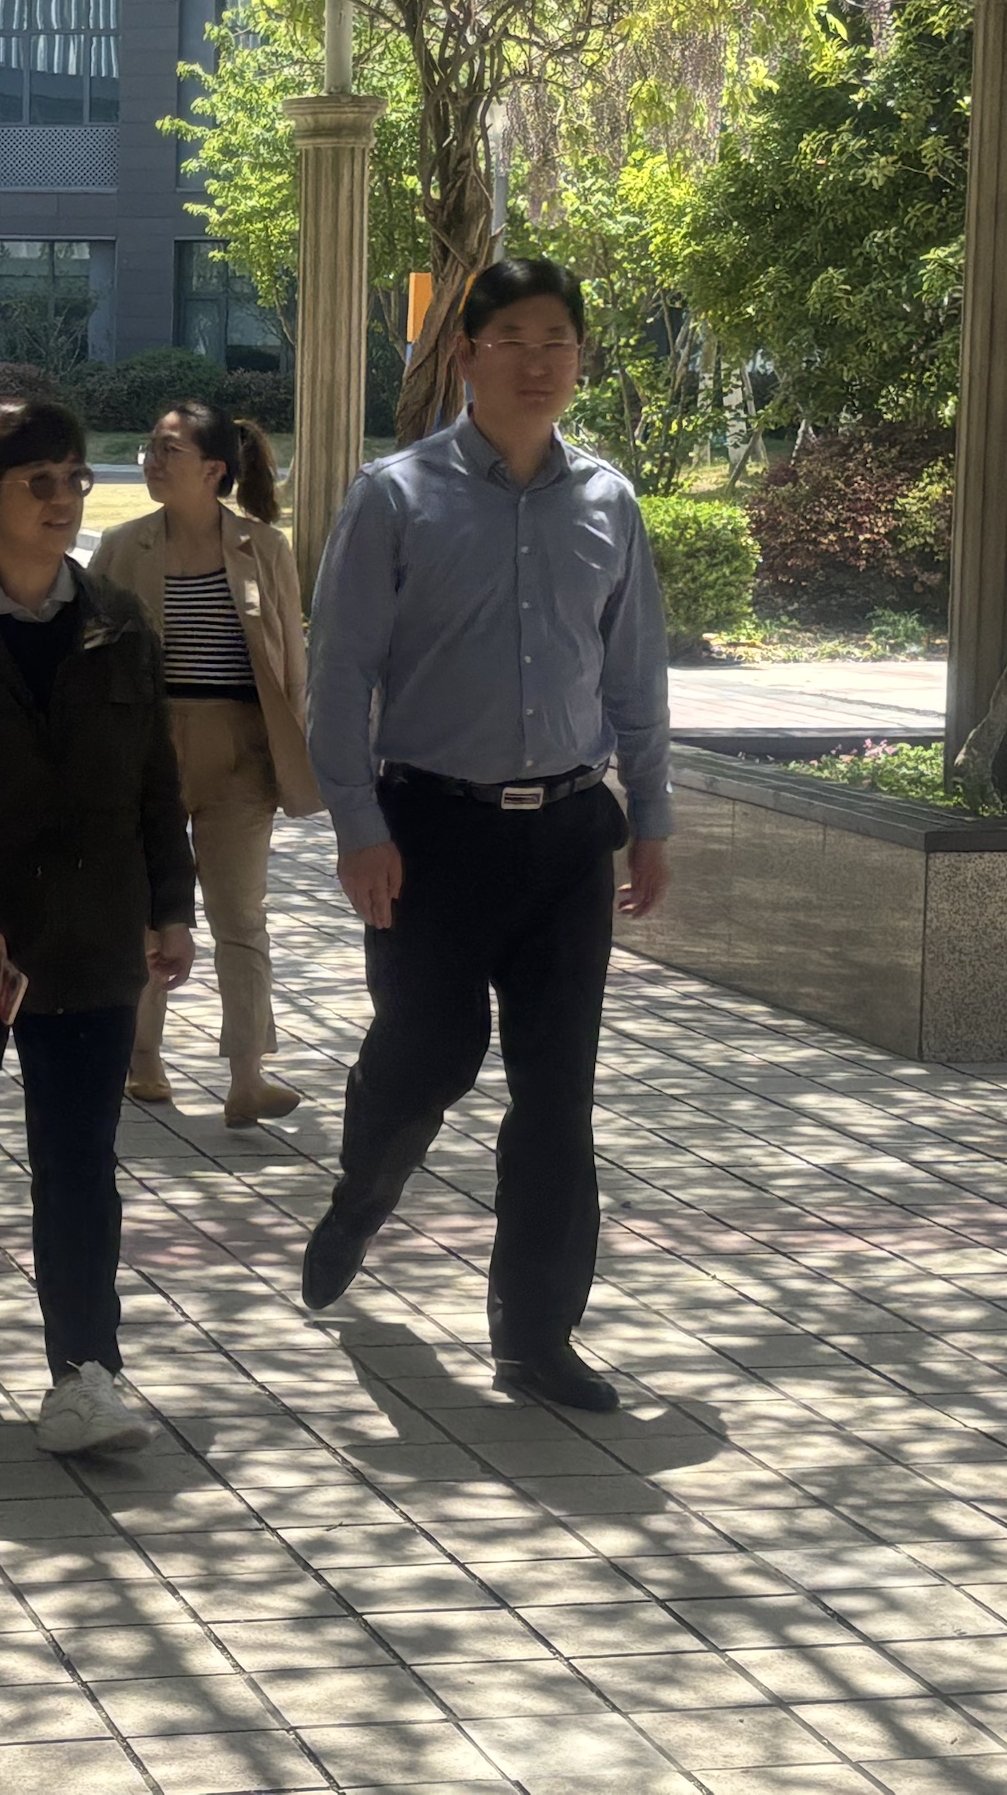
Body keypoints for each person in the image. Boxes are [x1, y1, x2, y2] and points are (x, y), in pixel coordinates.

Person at [299, 257, 673, 1414]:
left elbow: (636, 677)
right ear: (466, 355)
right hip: (431, 833)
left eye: (559, 339)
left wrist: (653, 818)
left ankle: (536, 1335)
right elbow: (337, 674)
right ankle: (364, 1192)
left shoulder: (608, 502)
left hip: (567, 836)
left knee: (558, 1096)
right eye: (513, 338)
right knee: (429, 1057)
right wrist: (358, 827)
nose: (538, 361)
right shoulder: (394, 497)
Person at [0, 395, 195, 1457]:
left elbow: (156, 782)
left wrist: (172, 906)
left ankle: (85, 1373)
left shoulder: (118, 624)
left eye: (75, 478)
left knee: (78, 1158)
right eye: (39, 482)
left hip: (88, 932)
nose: (65, 500)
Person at [94, 400, 322, 1128]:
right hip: (149, 750)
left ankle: (247, 1075)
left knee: (240, 913)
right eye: (151, 447)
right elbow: (87, 655)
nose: (153, 461)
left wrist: (290, 754)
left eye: (170, 450)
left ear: (214, 469)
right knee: (147, 907)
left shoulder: (264, 547)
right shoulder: (123, 546)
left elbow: (291, 661)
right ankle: (142, 1056)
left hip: (240, 751)